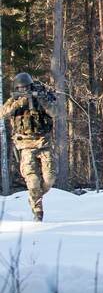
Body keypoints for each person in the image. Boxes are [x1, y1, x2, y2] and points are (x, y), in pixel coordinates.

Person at [0, 73, 57, 222]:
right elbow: (2, 113)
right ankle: (38, 211)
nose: (24, 89)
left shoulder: (42, 96)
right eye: (21, 88)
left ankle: (35, 194)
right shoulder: (14, 99)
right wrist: (19, 103)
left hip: (42, 141)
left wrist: (40, 99)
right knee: (32, 180)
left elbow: (54, 112)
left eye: (26, 87)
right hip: (25, 143)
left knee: (49, 178)